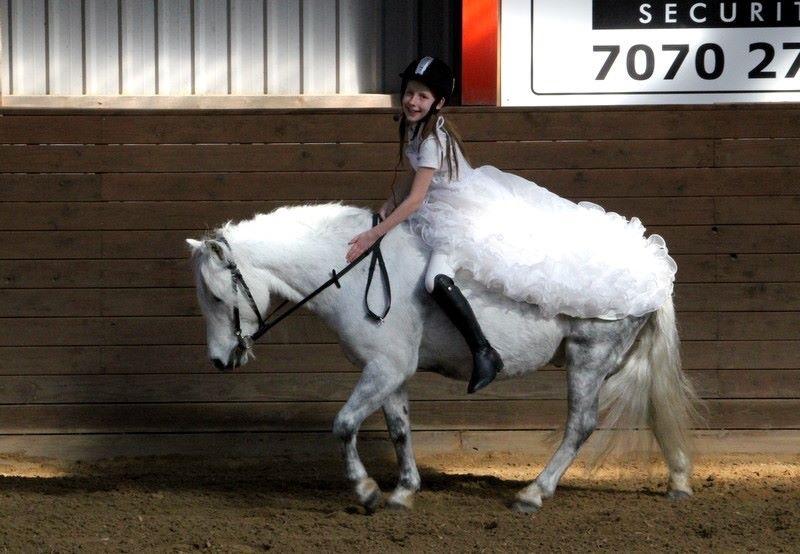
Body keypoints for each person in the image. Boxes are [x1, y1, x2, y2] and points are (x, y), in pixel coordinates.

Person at [346, 56, 677, 394]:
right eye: (410, 93)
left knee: (435, 279)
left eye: (423, 97)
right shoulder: (413, 128)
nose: (413, 102)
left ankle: (484, 351)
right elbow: (414, 178)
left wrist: (375, 232)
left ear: (439, 103)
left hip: (457, 213)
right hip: (440, 204)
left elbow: (415, 200)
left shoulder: (433, 140)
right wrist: (388, 205)